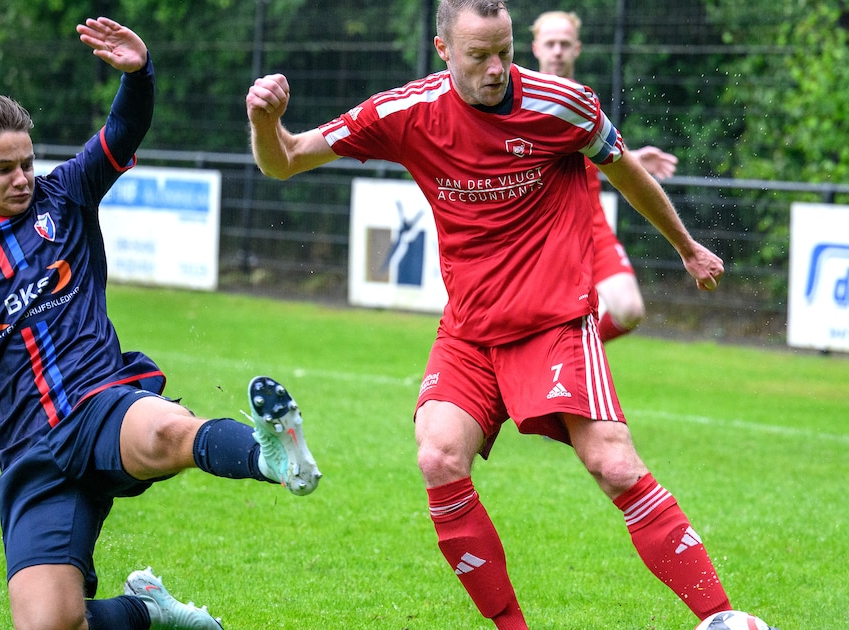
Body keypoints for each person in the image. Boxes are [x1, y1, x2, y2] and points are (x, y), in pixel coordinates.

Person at [245, 1, 730, 628]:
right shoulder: (405, 113)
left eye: (504, 51)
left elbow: (627, 173)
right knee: (438, 456)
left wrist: (687, 247)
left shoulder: (563, 104)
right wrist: (264, 121)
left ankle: (722, 617)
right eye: (479, 55)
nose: (498, 68)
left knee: (612, 463)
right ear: (444, 52)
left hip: (553, 322)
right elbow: (283, 159)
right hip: (470, 333)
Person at [0, 17, 320, 630]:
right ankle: (148, 611)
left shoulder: (64, 195)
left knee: (165, 435)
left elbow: (123, 129)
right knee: (51, 626)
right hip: (29, 452)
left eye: (27, 162)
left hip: (100, 405)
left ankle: (270, 455)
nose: (22, 178)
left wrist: (138, 74)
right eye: (3, 169)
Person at [531, 10, 679, 343]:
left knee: (629, 309)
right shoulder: (522, 102)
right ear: (536, 48)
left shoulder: (585, 101)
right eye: (551, 43)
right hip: (543, 233)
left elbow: (596, 155)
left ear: (577, 49)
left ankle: (567, 351)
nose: (557, 51)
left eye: (564, 44)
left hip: (592, 226)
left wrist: (632, 160)